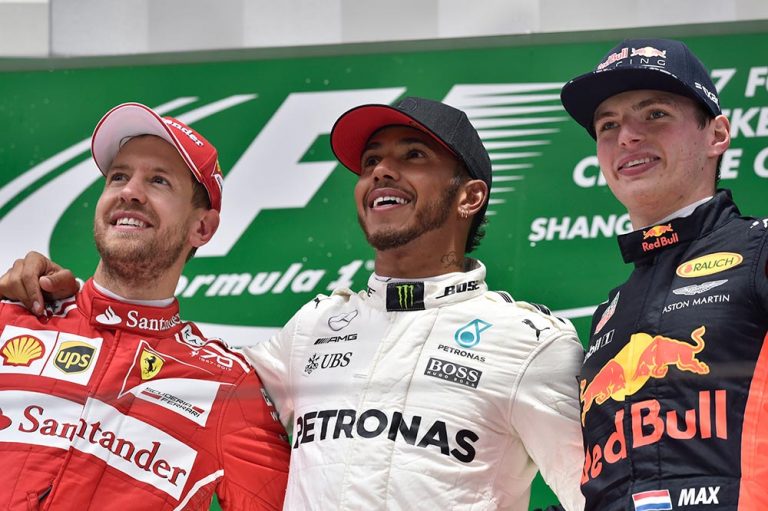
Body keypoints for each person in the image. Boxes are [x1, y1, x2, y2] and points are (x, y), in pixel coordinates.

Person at [0, 97, 586, 510]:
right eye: (371, 161)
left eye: (412, 156)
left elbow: (599, 492)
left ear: (469, 197)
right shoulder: (310, 331)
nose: (382, 171)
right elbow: (167, 356)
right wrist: (52, 302)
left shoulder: (529, 344)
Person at [0, 103, 290, 510]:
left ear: (202, 227)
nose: (130, 192)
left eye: (158, 181)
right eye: (118, 176)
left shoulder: (226, 387)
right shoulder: (14, 318)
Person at [560, 38, 768, 510]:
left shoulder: (759, 249)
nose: (627, 137)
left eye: (655, 114)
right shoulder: (610, 313)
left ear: (716, 135)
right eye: (608, 125)